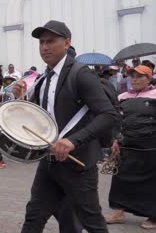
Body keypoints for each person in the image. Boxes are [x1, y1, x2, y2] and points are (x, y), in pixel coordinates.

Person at [13, 20, 118, 233]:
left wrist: (72, 141)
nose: (45, 47)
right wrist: (21, 98)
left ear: (67, 43)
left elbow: (108, 115)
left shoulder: (81, 73)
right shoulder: (43, 79)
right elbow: (44, 118)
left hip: (78, 165)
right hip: (49, 162)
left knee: (92, 222)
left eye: (51, 41)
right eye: (42, 42)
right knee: (34, 216)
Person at [105, 65, 156, 229]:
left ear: (149, 79)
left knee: (151, 184)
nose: (135, 79)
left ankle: (153, 216)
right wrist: (115, 140)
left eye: (140, 76)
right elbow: (116, 122)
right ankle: (119, 212)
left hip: (150, 148)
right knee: (120, 179)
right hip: (126, 147)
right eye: (132, 76)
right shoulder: (122, 97)